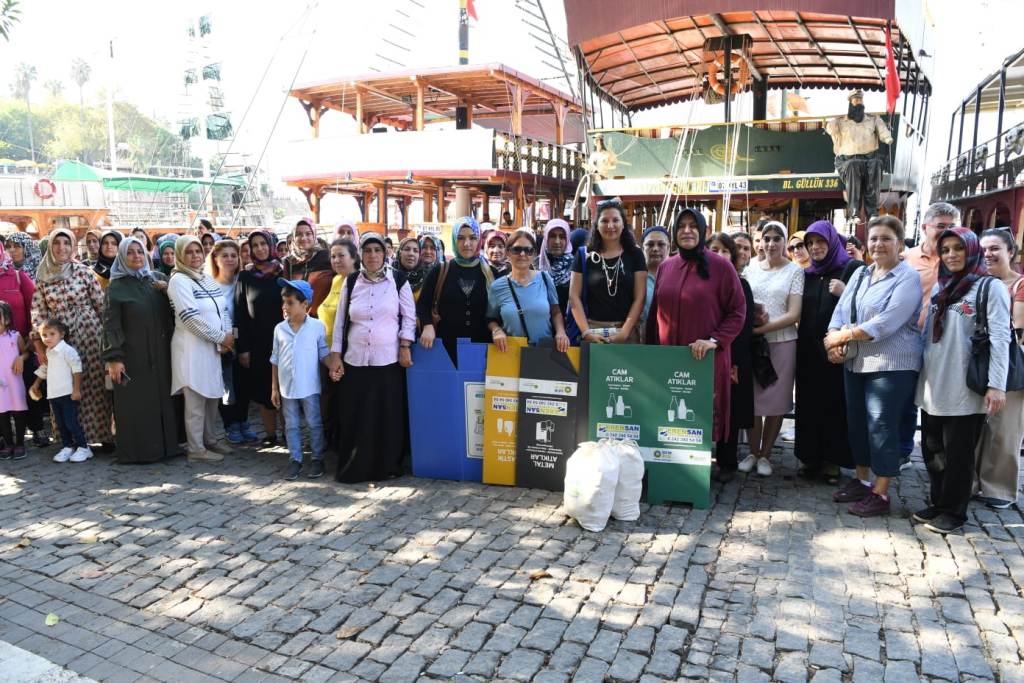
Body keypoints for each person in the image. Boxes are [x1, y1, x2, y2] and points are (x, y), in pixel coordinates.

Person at [825, 216, 923, 516]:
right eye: (874, 238)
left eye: (886, 238)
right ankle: (862, 479)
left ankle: (880, 493)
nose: (878, 244)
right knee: (856, 424)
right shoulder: (861, 274)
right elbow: (841, 311)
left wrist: (842, 336)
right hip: (856, 361)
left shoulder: (907, 278)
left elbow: (886, 322)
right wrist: (832, 341)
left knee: (881, 426)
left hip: (891, 364)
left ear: (899, 242)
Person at [914, 227, 1009, 533]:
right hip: (933, 383)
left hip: (965, 387)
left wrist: (996, 385)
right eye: (946, 250)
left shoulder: (987, 287)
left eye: (959, 248)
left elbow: (1000, 338)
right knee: (932, 449)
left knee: (958, 455)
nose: (952, 255)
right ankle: (938, 502)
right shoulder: (943, 286)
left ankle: (954, 512)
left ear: (972, 251)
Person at [646, 210, 746, 443]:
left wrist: (714, 340)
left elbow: (737, 311)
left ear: (702, 231)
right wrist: (650, 354)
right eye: (681, 226)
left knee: (700, 422)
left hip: (704, 359)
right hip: (669, 360)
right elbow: (655, 315)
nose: (687, 231)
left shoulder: (721, 267)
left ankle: (700, 476)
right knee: (668, 418)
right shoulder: (666, 266)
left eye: (693, 226)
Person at [330, 232, 415, 483]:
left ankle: (386, 466)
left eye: (378, 250)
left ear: (386, 253)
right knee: (356, 415)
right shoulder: (352, 281)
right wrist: (336, 355)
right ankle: (356, 466)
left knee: (385, 415)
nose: (373, 255)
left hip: (387, 360)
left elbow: (408, 317)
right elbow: (340, 322)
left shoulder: (398, 280)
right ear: (361, 255)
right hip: (355, 359)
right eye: (368, 251)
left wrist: (405, 345)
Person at [32, 227, 113, 449]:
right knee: (65, 388)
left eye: (66, 243)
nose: (62, 248)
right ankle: (73, 440)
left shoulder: (84, 272)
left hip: (90, 335)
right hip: (59, 342)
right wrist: (42, 343)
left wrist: (107, 339)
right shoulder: (43, 277)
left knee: (94, 385)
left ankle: (104, 435)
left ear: (73, 246)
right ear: (50, 247)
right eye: (57, 243)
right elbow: (38, 313)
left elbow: (101, 305)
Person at [795, 220, 863, 483]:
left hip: (837, 350)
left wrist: (843, 291)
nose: (815, 247)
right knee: (809, 404)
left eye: (820, 241)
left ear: (833, 241)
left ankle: (833, 463)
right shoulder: (807, 274)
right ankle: (810, 458)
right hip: (808, 351)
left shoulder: (852, 269)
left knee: (835, 405)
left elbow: (866, 306)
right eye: (810, 243)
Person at [102, 237, 179, 464]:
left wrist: (168, 291)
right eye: (130, 253)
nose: (136, 256)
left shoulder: (157, 280)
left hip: (161, 353)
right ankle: (139, 452)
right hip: (132, 355)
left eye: (140, 252)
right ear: (122, 258)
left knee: (162, 399)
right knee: (137, 403)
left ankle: (167, 447)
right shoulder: (116, 287)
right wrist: (114, 358)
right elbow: (111, 324)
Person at [900, 202, 961, 467]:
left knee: (939, 402)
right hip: (910, 338)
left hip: (949, 344)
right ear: (926, 228)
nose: (947, 231)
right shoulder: (907, 258)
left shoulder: (961, 258)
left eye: (952, 227)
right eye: (941, 226)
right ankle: (904, 450)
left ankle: (943, 460)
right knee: (907, 398)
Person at [742, 220, 803, 476]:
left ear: (784, 242)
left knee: (776, 401)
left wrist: (759, 329)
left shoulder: (795, 271)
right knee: (752, 400)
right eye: (766, 238)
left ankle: (766, 454)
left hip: (782, 343)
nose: (771, 244)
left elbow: (793, 314)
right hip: (754, 344)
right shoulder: (751, 268)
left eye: (777, 238)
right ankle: (752, 451)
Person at [167, 236, 234, 462]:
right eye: (189, 252)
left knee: (212, 394)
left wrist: (226, 336)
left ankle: (210, 439)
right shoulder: (179, 280)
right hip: (191, 348)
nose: (195, 255)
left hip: (212, 348)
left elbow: (222, 309)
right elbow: (190, 319)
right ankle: (196, 449)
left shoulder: (206, 278)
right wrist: (220, 338)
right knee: (195, 398)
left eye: (198, 251)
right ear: (180, 255)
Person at [973, 228, 1024, 509]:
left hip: (1010, 366)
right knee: (974, 426)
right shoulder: (975, 283)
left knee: (1004, 429)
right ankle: (970, 481)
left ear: (1011, 252)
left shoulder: (1019, 286)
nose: (988, 254)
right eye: (983, 249)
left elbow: (1016, 330)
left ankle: (999, 489)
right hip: (977, 364)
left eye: (995, 249)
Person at [705, 232, 755, 482]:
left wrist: (734, 362)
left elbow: (744, 327)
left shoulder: (740, 283)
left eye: (725, 251)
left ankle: (727, 462)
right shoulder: (699, 279)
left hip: (730, 356)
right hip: (701, 354)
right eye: (715, 249)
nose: (720, 255)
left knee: (729, 411)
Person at [272, 279, 330, 480]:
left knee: (314, 422)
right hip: (286, 387)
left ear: (305, 305)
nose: (285, 307)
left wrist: (334, 366)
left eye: (290, 302)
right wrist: (274, 388)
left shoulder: (316, 327)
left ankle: (317, 458)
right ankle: (294, 459)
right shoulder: (279, 329)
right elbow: (275, 358)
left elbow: (324, 353)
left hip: (310, 386)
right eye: (284, 302)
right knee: (291, 424)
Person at [417, 218, 499, 361]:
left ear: (479, 240)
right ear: (454, 240)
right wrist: (428, 325)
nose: (467, 244)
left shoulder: (491, 273)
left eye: (473, 238)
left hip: (483, 347)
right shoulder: (441, 270)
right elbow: (423, 304)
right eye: (461, 238)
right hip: (444, 348)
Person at [569, 199, 647, 344]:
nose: (610, 226)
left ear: (623, 224)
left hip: (626, 333)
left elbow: (640, 298)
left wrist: (624, 332)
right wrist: (586, 332)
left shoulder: (635, 254)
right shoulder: (583, 255)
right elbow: (574, 297)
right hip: (592, 332)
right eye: (604, 221)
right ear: (597, 225)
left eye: (615, 220)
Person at [235, 231, 284, 446]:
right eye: (255, 245)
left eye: (263, 243)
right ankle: (271, 435)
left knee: (285, 389)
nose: (260, 248)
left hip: (284, 342)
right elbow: (240, 313)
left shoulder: (283, 272)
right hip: (258, 343)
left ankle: (288, 433)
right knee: (265, 390)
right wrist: (243, 347)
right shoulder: (245, 277)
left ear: (270, 245)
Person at [487, 229, 569, 351]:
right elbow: (491, 319)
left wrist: (561, 332)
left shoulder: (545, 279)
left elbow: (556, 312)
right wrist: (496, 330)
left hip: (543, 351)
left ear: (534, 254)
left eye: (528, 250)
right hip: (510, 352)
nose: (522, 254)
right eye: (517, 249)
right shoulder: (497, 287)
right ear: (508, 253)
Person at [207, 239, 255, 445]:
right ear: (216, 259)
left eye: (233, 255)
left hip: (241, 338)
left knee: (243, 383)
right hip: (219, 341)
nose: (229, 259)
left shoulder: (242, 281)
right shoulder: (209, 284)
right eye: (224, 255)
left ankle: (244, 421)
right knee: (226, 385)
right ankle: (230, 424)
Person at [825, 90, 894, 223]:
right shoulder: (840, 121)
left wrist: (887, 138)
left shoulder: (873, 120)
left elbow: (883, 131)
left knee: (876, 164)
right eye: (855, 100)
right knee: (853, 165)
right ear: (850, 103)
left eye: (860, 100)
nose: (858, 103)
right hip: (847, 160)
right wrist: (832, 121)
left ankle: (872, 211)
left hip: (869, 158)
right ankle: (854, 212)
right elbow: (830, 129)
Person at [31, 319, 91, 462]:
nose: (48, 338)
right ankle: (67, 447)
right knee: (61, 423)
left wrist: (76, 390)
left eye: (52, 334)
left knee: (71, 422)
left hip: (68, 394)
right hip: (53, 394)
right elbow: (45, 369)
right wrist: (35, 384)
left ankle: (84, 448)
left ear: (61, 334)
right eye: (44, 335)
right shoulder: (48, 352)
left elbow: (77, 370)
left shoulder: (67, 351)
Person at [283, 218, 333, 316]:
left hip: (322, 320)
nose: (303, 238)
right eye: (298, 234)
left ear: (314, 235)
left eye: (308, 233)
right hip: (297, 320)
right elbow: (286, 293)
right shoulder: (289, 262)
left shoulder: (327, 257)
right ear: (293, 237)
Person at [318, 239, 360, 349]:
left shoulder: (360, 282)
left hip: (346, 351)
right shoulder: (336, 279)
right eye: (333, 256)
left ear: (354, 258)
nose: (336, 260)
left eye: (341, 256)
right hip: (326, 348)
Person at [0, 301, 28, 460]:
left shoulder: (15, 336)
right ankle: (8, 443)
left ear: (7, 320)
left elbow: (26, 353)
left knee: (18, 412)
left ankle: (20, 444)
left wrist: (20, 358)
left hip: (14, 381)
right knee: (2, 414)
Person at [538, 219, 573, 312]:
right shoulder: (534, 266)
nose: (557, 241)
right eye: (552, 236)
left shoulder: (576, 267)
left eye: (562, 237)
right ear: (545, 238)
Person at [640, 226, 670, 330]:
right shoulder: (635, 277)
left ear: (669, 248)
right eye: (650, 244)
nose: (655, 249)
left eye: (661, 244)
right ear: (643, 248)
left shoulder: (677, 276)